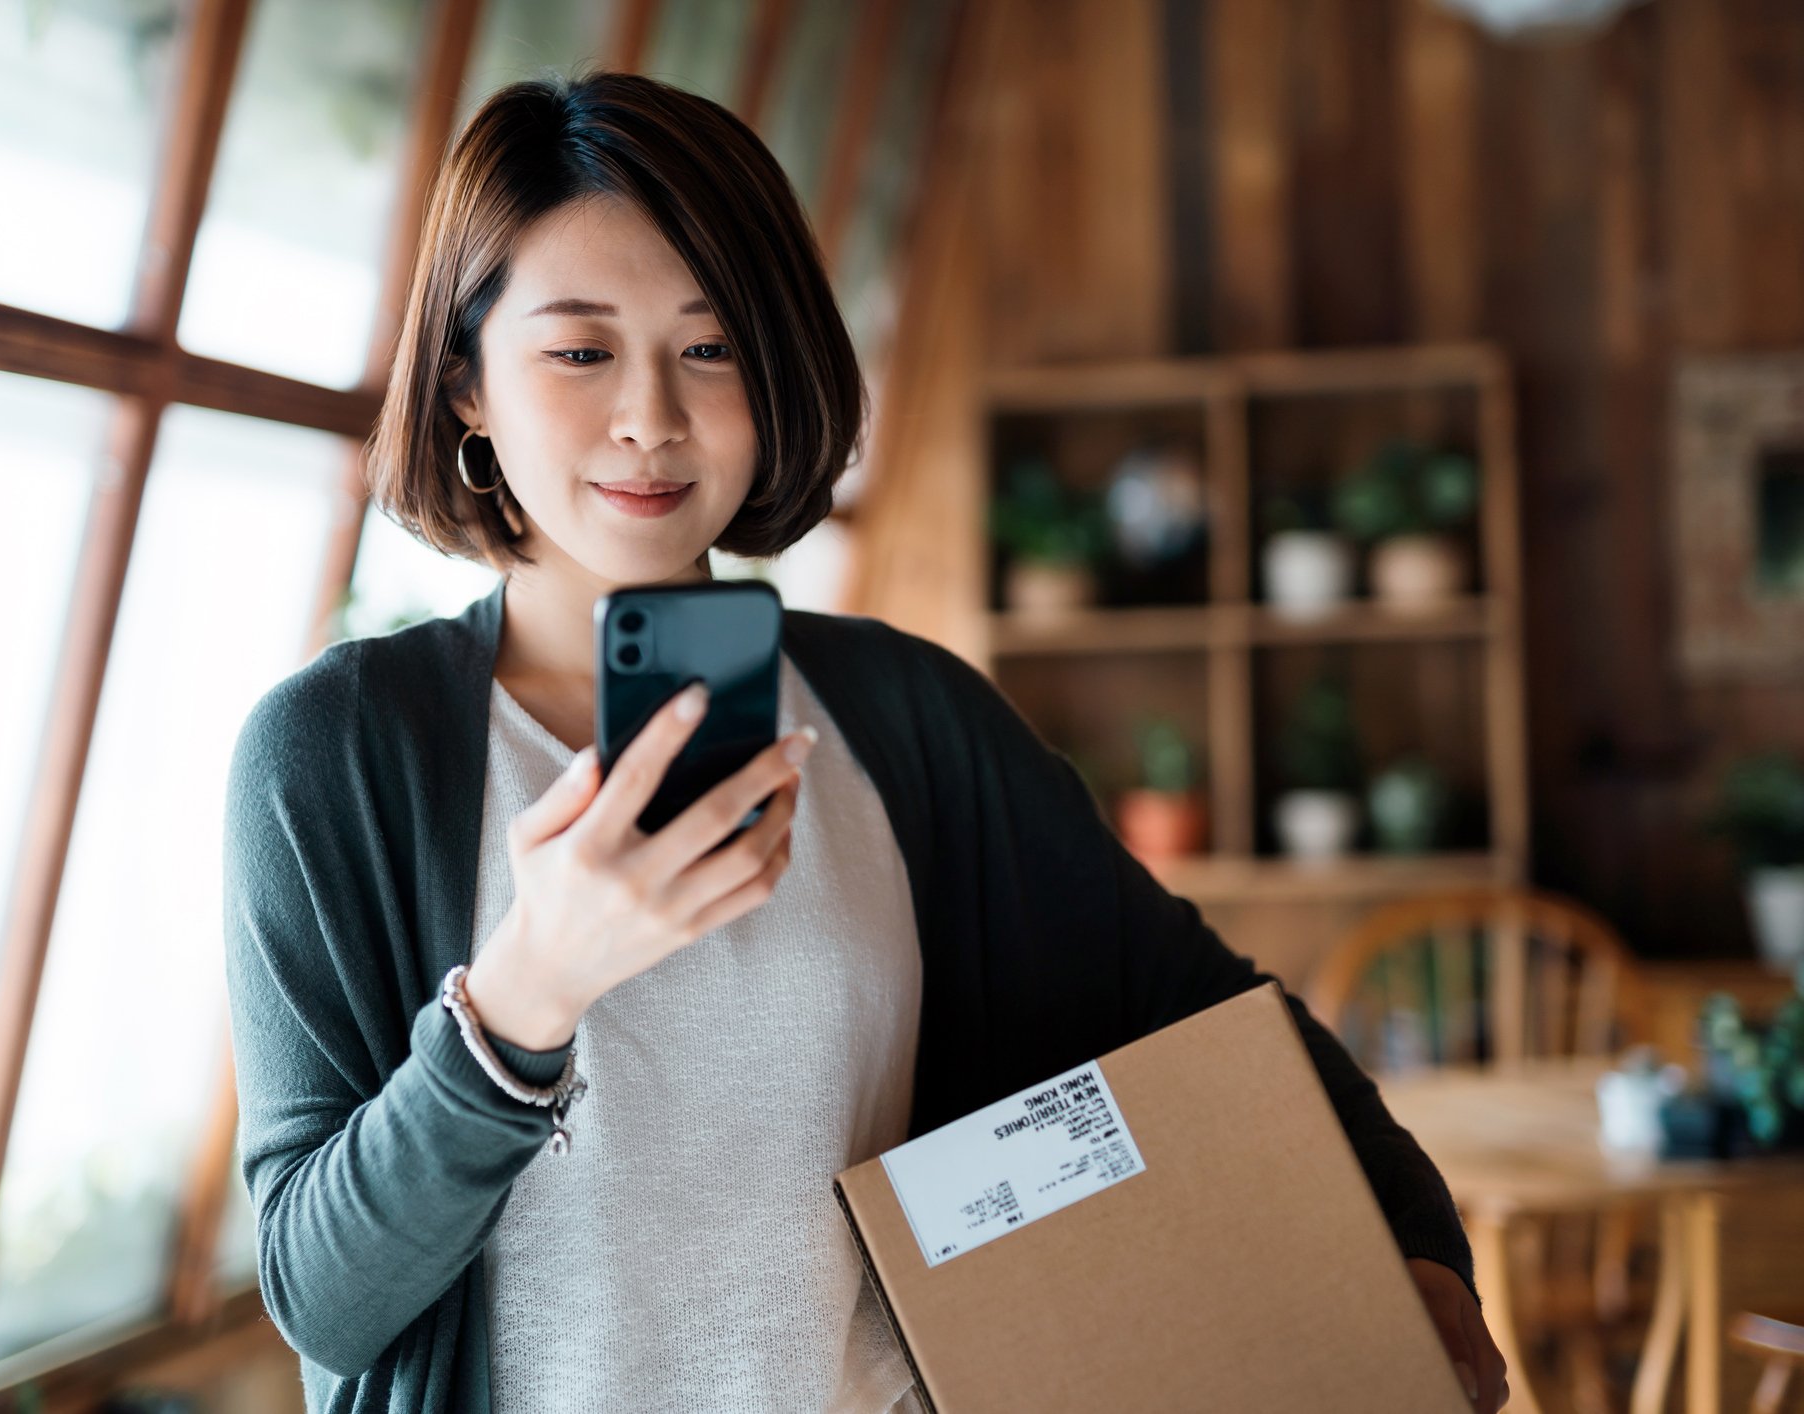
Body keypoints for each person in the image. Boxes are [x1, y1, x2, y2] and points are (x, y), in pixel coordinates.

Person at [222, 69, 1509, 1414]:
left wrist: (1410, 1248)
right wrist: (527, 995)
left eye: (709, 347)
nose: (651, 415)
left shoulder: (904, 718)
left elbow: (1210, 1015)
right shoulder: (334, 757)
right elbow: (326, 1298)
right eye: (580, 348)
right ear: (467, 387)